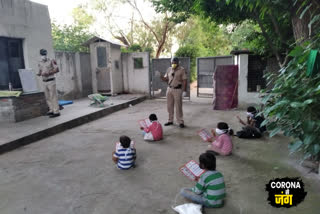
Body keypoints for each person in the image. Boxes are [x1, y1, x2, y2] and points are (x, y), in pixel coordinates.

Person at [160, 57, 187, 128]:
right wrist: (161, 76)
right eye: (172, 63)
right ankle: (170, 120)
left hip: (177, 90)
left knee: (178, 106)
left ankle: (180, 121)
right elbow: (166, 79)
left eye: (175, 63)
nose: (173, 64)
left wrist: (184, 91)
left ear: (178, 63)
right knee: (169, 106)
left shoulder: (182, 70)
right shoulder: (169, 69)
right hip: (169, 89)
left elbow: (184, 80)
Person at [37, 49, 60, 118]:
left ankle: (56, 112)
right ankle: (51, 110)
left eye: (44, 54)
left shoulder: (51, 61)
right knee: (47, 97)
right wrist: (39, 73)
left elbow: (57, 69)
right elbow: (40, 71)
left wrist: (48, 73)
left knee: (53, 96)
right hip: (44, 81)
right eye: (42, 55)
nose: (43, 56)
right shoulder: (39, 62)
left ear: (46, 54)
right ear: (40, 55)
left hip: (51, 81)